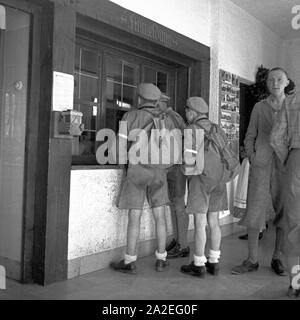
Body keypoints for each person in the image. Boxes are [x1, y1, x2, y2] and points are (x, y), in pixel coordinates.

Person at [231, 67, 290, 276]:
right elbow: (249, 135)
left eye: (279, 79)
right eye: (271, 80)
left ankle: (277, 258)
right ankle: (252, 259)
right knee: (254, 211)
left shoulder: (293, 107)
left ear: (286, 82)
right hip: (261, 165)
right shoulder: (259, 107)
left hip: (285, 167)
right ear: (267, 84)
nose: (275, 83)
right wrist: (253, 156)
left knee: (284, 213)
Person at [110, 83, 171, 274]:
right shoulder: (165, 119)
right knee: (160, 216)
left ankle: (129, 260)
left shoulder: (129, 116)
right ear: (156, 101)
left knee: (134, 217)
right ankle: (161, 259)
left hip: (137, 170)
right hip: (159, 172)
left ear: (139, 99)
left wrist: (123, 165)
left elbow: (119, 147)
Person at [180, 97, 228, 277]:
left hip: (201, 179)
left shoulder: (192, 129)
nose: (186, 114)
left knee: (200, 222)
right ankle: (214, 262)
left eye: (186, 111)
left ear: (192, 111)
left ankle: (199, 263)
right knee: (214, 221)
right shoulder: (216, 128)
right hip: (220, 179)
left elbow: (189, 161)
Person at [270, 91, 300, 298]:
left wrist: (288, 159)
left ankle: (296, 283)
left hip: (296, 161)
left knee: (294, 224)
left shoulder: (291, 100)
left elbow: (275, 137)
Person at [157, 94, 190, 258]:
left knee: (178, 205)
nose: (155, 107)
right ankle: (178, 240)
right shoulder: (168, 116)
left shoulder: (172, 117)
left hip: (176, 167)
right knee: (175, 205)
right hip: (172, 166)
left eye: (157, 103)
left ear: (163, 102)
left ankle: (183, 245)